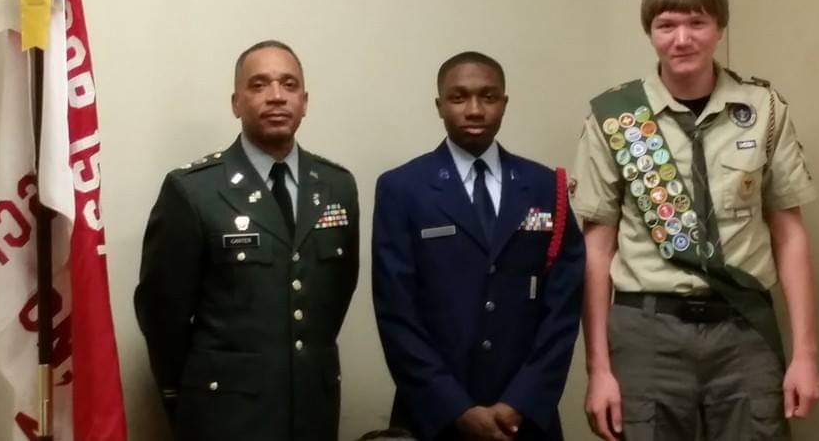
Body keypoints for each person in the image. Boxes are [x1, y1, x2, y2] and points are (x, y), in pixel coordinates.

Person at [573, 0, 819, 440]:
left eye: (697, 23)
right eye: (666, 25)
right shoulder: (616, 118)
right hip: (647, 332)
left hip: (742, 329)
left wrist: (806, 356)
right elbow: (596, 249)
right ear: (650, 32)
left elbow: (789, 235)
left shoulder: (765, 111)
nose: (682, 39)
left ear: (719, 29)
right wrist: (598, 370)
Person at [135, 40, 359, 441]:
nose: (276, 96)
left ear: (305, 101)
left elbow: (335, 295)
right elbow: (161, 312)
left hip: (312, 408)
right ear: (236, 102)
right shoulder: (194, 191)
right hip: (225, 414)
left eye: (288, 85)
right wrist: (184, 391)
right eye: (259, 85)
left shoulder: (336, 186)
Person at [372, 51, 585, 440]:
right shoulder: (402, 189)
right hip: (434, 415)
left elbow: (563, 307)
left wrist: (522, 399)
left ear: (504, 102)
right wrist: (456, 407)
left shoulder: (543, 186)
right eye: (459, 97)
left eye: (488, 97)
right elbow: (396, 313)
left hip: (524, 416)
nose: (474, 109)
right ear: (439, 105)